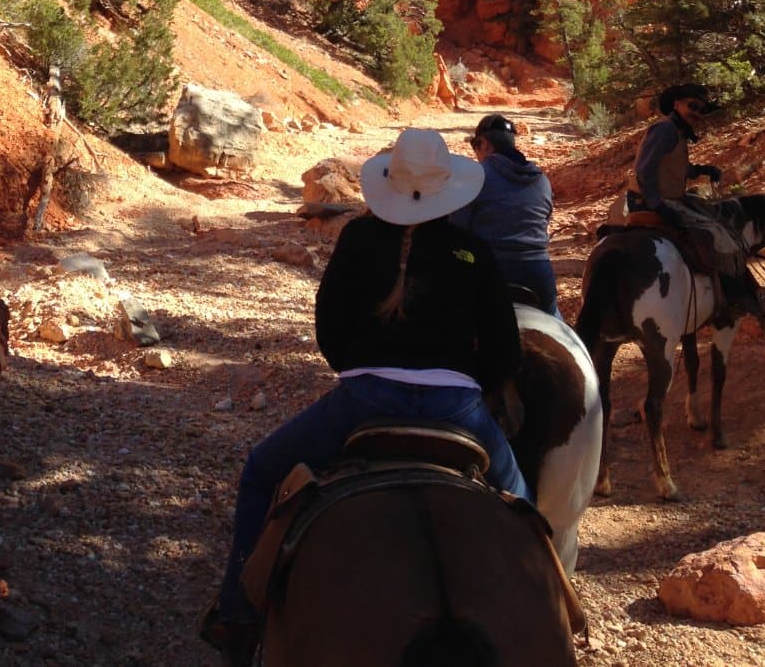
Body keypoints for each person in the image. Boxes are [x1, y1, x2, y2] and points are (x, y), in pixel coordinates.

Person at [203, 127, 532, 666]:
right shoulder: (472, 251)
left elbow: (329, 328)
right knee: (523, 507)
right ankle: (557, 603)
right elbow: (505, 348)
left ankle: (237, 618)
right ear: (448, 188)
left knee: (263, 471)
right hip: (459, 409)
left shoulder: (357, 238)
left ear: (391, 184)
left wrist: (363, 370)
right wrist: (473, 380)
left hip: (365, 401)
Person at [626, 81, 765, 328]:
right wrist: (657, 205)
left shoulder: (677, 132)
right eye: (693, 106)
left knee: (713, 214)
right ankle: (732, 298)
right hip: (652, 199)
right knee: (716, 231)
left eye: (701, 109)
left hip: (669, 196)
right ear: (676, 104)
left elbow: (673, 167)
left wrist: (700, 170)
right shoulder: (665, 130)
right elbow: (644, 170)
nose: (697, 113)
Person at [449, 114, 560, 317]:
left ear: (484, 144)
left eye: (475, 145)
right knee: (561, 330)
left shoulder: (475, 177)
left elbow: (457, 231)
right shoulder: (542, 180)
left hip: (489, 272)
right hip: (538, 272)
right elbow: (544, 222)